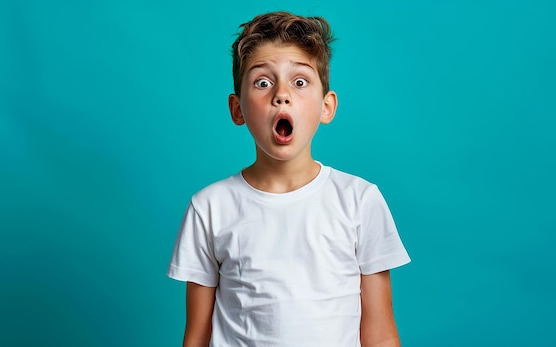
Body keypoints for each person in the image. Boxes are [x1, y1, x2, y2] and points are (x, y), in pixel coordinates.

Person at [168, 11, 411, 347]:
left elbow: (381, 334)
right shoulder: (209, 208)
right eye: (263, 82)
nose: (281, 95)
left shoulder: (359, 200)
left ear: (327, 107)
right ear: (237, 109)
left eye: (299, 82)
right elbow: (196, 336)